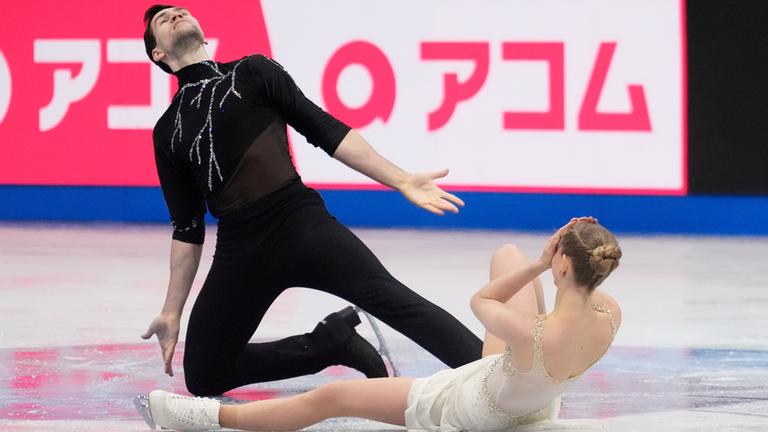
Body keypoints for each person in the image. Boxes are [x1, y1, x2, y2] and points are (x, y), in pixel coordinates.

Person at [138, 4, 483, 397]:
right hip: (241, 250)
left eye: (181, 10)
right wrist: (171, 309)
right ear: (158, 54)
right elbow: (187, 228)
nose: (176, 14)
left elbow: (324, 129)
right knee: (203, 374)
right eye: (162, 20)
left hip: (301, 224)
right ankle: (329, 344)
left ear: (201, 29)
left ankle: (494, 373)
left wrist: (401, 179)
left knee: (394, 300)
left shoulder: (253, 70)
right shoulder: (167, 132)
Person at [143, 217, 624, 431]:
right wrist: (555, 266)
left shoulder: (529, 333)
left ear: (562, 266)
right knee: (506, 254)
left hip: (475, 407)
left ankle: (206, 418)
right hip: (536, 405)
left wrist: (540, 264)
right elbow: (562, 304)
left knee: (334, 399)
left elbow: (482, 301)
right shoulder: (609, 316)